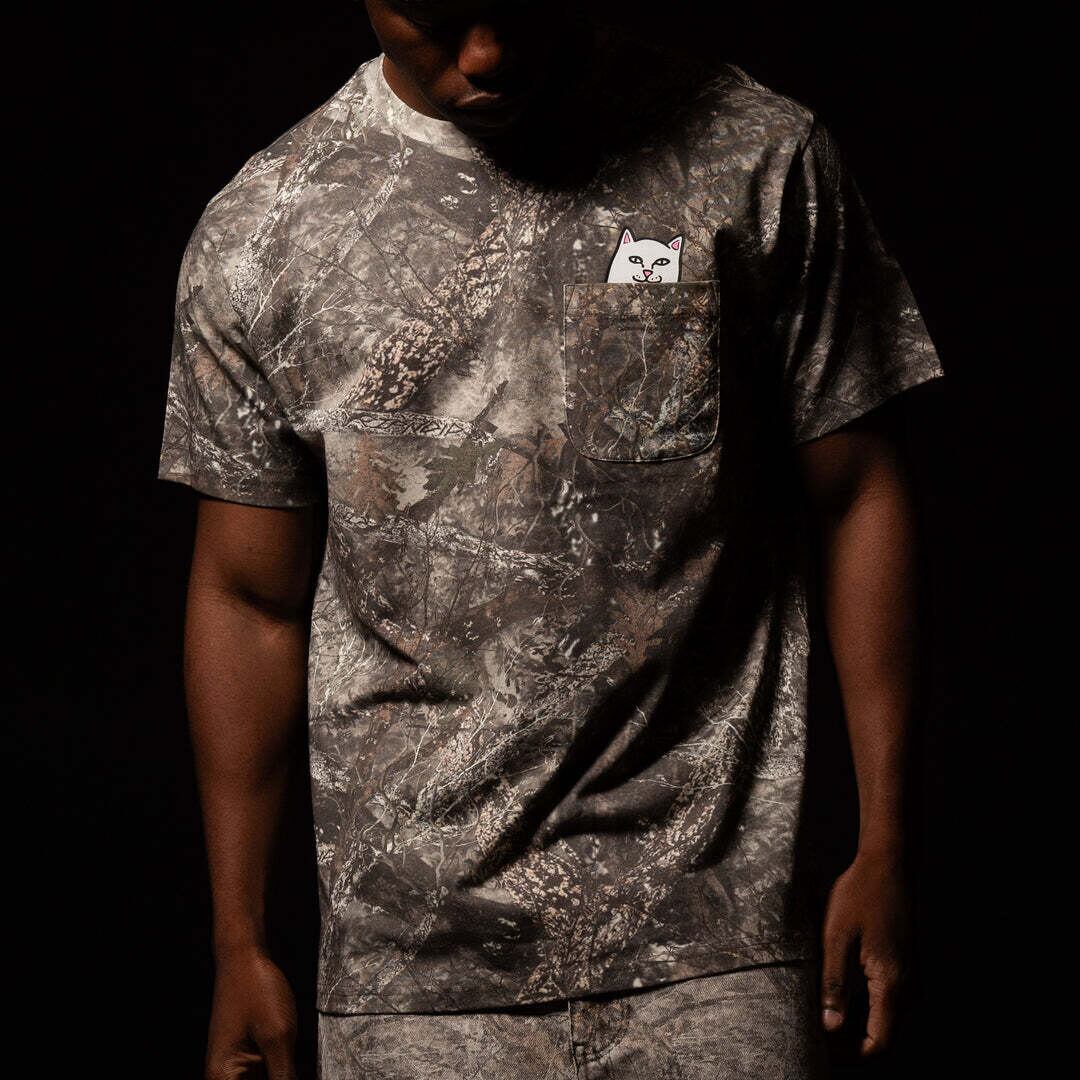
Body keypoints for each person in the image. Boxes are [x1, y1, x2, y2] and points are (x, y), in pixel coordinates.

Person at [156, 2, 945, 1077]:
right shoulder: (265, 230)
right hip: (412, 979)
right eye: (439, 14)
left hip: (718, 944)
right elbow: (249, 600)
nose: (487, 53)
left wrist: (888, 841)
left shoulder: (755, 156)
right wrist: (239, 941)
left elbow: (857, 496)